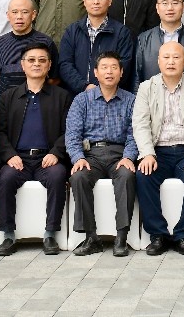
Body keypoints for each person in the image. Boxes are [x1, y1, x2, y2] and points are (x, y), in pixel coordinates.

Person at [133, 41, 184, 256]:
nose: (171, 62)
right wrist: (147, 154)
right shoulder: (146, 87)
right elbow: (140, 124)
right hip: (157, 151)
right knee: (143, 175)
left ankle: (183, 235)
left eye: (176, 57)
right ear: (158, 61)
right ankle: (157, 235)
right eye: (166, 57)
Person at [0, 44, 73, 257]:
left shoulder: (61, 96)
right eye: (31, 60)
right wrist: (10, 156)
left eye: (42, 60)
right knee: (6, 178)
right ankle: (8, 235)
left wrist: (56, 153)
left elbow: (70, 131)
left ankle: (50, 234)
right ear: (23, 65)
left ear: (49, 65)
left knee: (57, 176)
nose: (36, 64)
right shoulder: (9, 96)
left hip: (48, 158)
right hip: (18, 158)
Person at [66, 52, 138, 257]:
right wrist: (78, 158)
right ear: (95, 73)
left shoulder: (131, 100)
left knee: (127, 176)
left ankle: (121, 237)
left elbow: (135, 133)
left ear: (121, 72)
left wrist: (128, 157)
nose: (109, 72)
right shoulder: (82, 100)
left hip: (119, 154)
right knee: (78, 177)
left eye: (114, 67)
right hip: (91, 155)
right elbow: (72, 134)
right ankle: (91, 237)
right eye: (104, 67)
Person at [57, 0, 135, 95]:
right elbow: (65, 64)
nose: (96, 2)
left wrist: (101, 90)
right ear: (84, 1)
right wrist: (84, 86)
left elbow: (124, 66)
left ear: (109, 1)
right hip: (76, 96)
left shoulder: (122, 32)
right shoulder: (72, 31)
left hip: (111, 96)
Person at [0, 0, 60, 92]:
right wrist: (11, 97)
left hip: (40, 99)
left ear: (33, 15)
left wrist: (36, 95)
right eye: (14, 12)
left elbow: (55, 78)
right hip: (7, 100)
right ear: (8, 15)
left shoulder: (46, 42)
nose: (19, 17)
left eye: (25, 12)